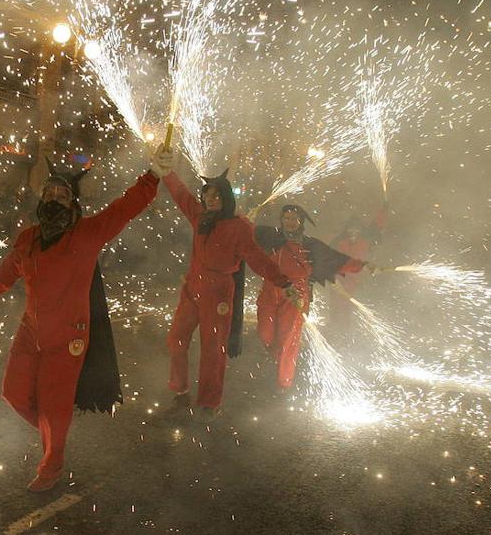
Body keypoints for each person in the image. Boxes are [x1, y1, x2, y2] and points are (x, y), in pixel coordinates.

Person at [0, 149, 174, 492]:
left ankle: (51, 465)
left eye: (62, 194)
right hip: (30, 331)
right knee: (12, 393)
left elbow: (125, 208)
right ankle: (55, 429)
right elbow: (9, 270)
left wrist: (153, 174)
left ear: (73, 202)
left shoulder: (88, 233)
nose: (54, 198)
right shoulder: (29, 238)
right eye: (50, 193)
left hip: (68, 338)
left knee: (53, 407)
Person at [162, 169, 298, 415]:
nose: (211, 199)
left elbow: (257, 259)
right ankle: (180, 391)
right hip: (192, 289)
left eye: (217, 195)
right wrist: (167, 172)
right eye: (207, 194)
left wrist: (283, 283)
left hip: (218, 294)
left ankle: (209, 402)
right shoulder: (201, 217)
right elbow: (182, 196)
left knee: (213, 349)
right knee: (176, 340)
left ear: (226, 197)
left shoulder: (239, 227)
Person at [254, 205, 370, 389]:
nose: (290, 223)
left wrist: (363, 266)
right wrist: (244, 218)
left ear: (301, 222)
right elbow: (244, 234)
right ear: (281, 221)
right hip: (271, 290)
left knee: (288, 337)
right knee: (265, 332)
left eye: (294, 219)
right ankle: (276, 359)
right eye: (286, 219)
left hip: (297, 295)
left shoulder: (311, 245)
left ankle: (284, 381)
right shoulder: (271, 237)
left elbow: (336, 260)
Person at [328, 207, 387, 332]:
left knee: (350, 308)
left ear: (361, 231)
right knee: (336, 308)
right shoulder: (339, 243)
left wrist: (384, 210)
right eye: (351, 229)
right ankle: (334, 331)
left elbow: (376, 227)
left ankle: (347, 333)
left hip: (355, 282)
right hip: (338, 281)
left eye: (357, 229)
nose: (353, 232)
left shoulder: (365, 243)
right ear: (347, 230)